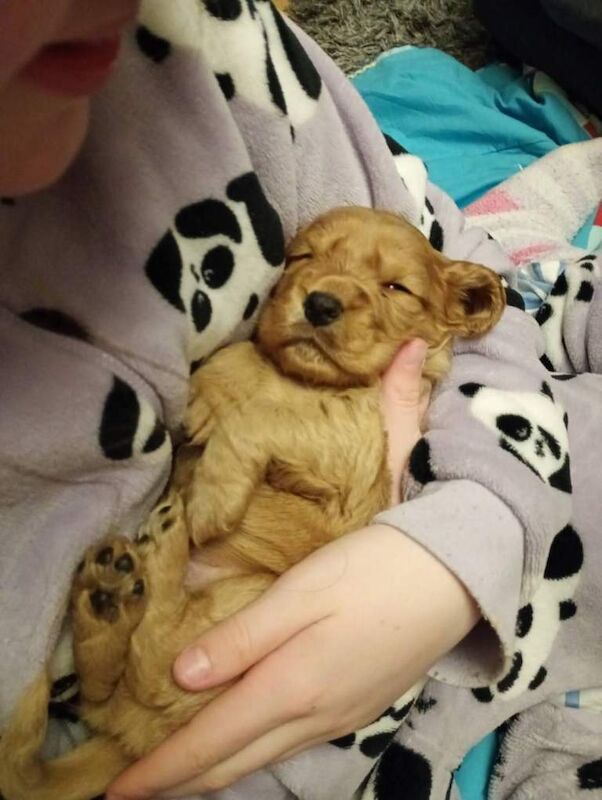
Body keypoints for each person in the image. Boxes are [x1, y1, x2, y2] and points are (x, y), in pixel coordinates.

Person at [2, 2, 600, 800]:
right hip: (227, 693)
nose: (325, 292)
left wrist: (464, 543)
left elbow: (462, 263)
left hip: (377, 605)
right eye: (305, 258)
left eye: (388, 289)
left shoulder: (221, 59)